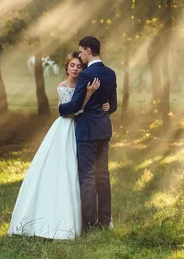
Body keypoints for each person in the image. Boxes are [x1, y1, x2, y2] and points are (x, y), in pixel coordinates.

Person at [8, 52, 109, 240]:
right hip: (66, 127)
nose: (76, 69)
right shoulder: (63, 87)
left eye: (79, 66)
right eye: (72, 65)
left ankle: (86, 219)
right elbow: (73, 109)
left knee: (82, 172)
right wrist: (88, 94)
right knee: (61, 168)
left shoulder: (84, 84)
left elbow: (91, 106)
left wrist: (105, 104)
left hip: (82, 129)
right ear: (67, 67)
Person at [58, 36, 117, 233]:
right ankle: (105, 222)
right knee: (103, 176)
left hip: (87, 132)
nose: (81, 56)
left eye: (81, 51)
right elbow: (113, 104)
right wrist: (108, 108)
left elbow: (75, 105)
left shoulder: (86, 75)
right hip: (104, 130)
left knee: (88, 178)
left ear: (88, 50)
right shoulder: (110, 73)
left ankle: (90, 225)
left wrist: (61, 109)